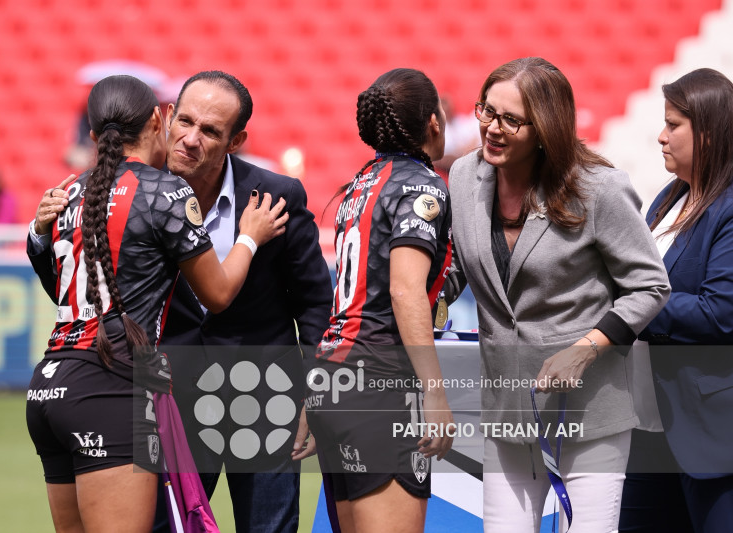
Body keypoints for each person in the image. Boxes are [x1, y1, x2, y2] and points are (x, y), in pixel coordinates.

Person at [30, 70, 333, 533]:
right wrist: (38, 234)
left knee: (269, 528)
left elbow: (313, 301)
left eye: (210, 131)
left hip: (266, 394)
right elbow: (91, 294)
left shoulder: (278, 195)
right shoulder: (132, 193)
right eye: (185, 121)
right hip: (169, 398)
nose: (191, 139)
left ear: (236, 140)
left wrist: (317, 386)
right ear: (165, 117)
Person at [445, 57, 670, 532]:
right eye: (487, 111)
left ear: (546, 128)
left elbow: (650, 285)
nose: (492, 128)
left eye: (511, 119)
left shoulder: (600, 189)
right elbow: (463, 267)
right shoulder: (464, 177)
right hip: (505, 409)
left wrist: (586, 348)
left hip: (590, 412)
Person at [305, 67, 454, 533]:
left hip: (334, 379)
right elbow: (404, 289)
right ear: (433, 121)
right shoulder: (420, 185)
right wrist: (434, 392)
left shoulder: (360, 185)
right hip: (378, 385)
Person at [621, 68, 733, 533]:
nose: (661, 137)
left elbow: (721, 313)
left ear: (707, 133)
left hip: (709, 435)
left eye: (674, 125)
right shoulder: (667, 200)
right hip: (647, 425)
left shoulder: (729, 207)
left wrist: (635, 304)